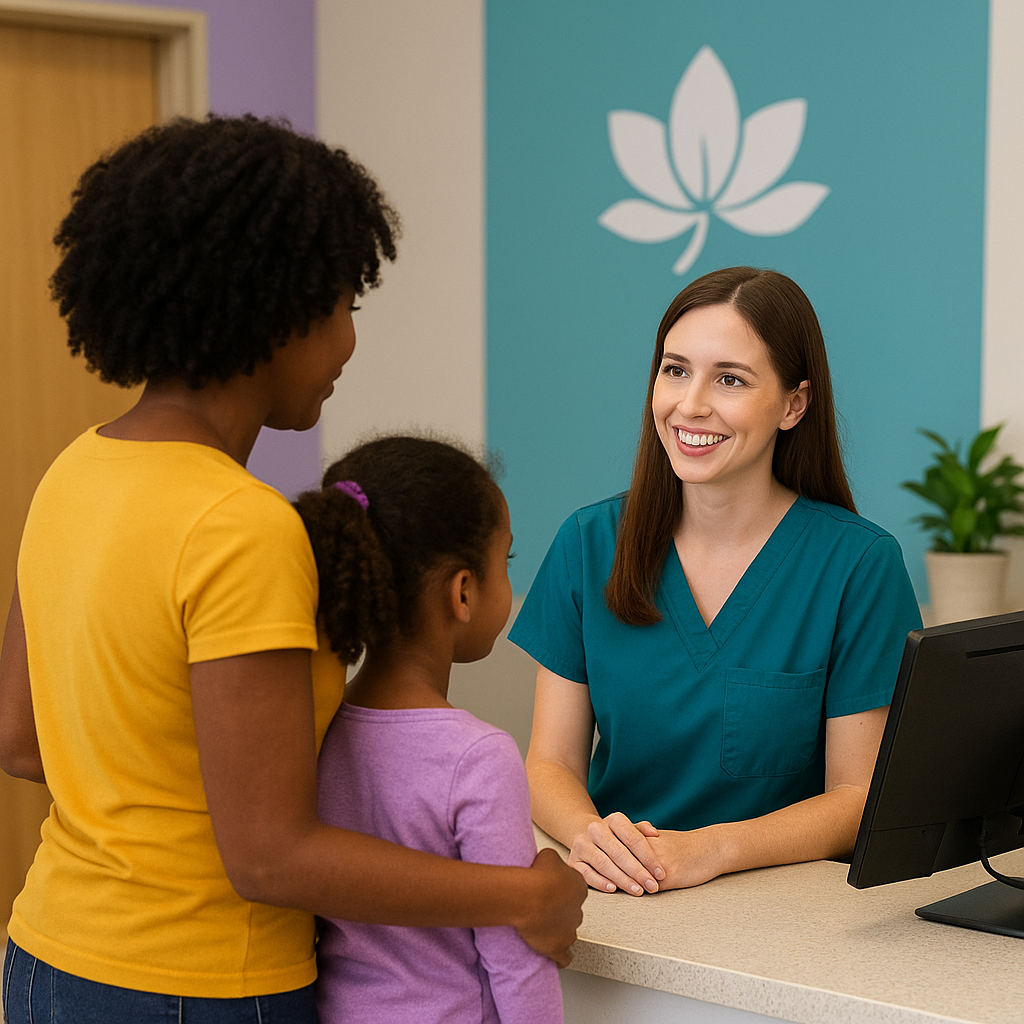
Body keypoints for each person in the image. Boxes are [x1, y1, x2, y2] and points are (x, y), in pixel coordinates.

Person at [0, 115, 583, 1024]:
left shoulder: (69, 476)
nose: (350, 341)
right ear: (276, 308)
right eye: (346, 304)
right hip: (198, 988)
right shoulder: (242, 528)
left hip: (46, 960)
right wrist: (518, 896)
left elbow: (21, 739)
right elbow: (270, 857)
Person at [510, 266, 922, 897]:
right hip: (617, 899)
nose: (691, 404)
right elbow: (549, 763)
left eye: (729, 379)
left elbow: (857, 796)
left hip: (776, 915)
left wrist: (714, 849)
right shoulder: (588, 543)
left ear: (794, 404)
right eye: (675, 370)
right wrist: (589, 833)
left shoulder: (860, 565)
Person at [293, 435, 563, 1024]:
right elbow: (517, 954)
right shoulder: (478, 757)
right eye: (506, 562)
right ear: (463, 592)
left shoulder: (317, 730)